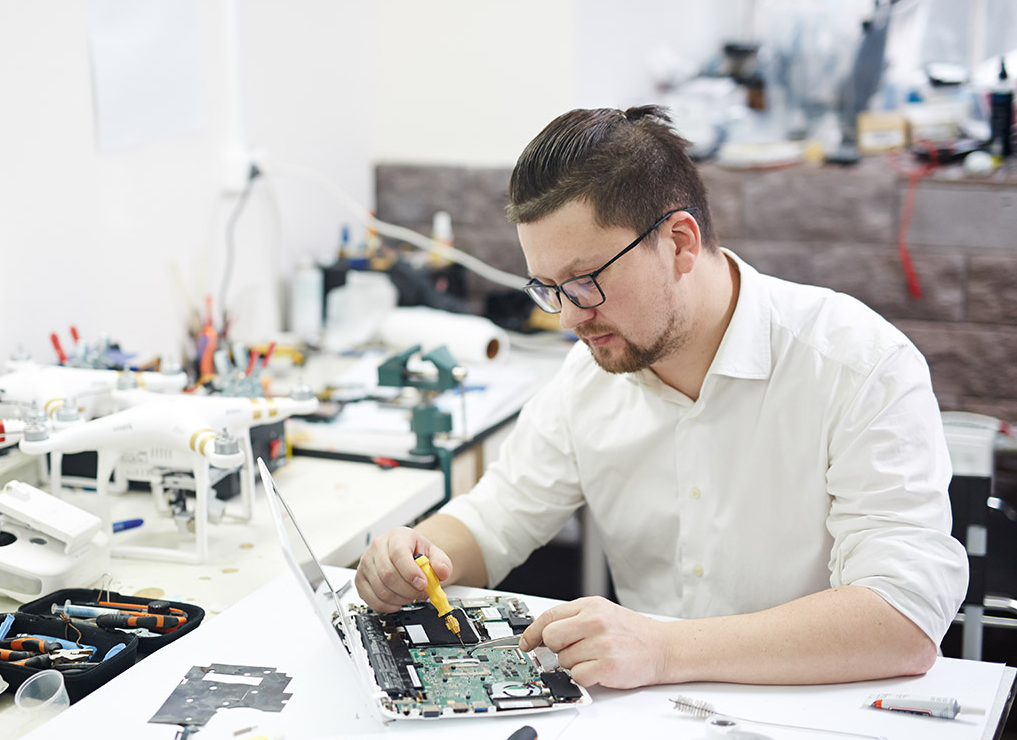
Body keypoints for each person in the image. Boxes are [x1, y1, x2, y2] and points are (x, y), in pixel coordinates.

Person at [355, 106, 968, 690]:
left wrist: (664, 649)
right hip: (652, 719)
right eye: (549, 288)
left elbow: (903, 619)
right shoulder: (587, 377)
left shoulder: (856, 365)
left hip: (819, 713)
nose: (569, 317)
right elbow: (497, 516)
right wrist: (420, 554)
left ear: (679, 242)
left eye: (587, 281)